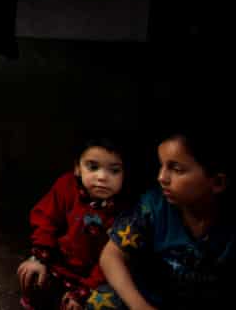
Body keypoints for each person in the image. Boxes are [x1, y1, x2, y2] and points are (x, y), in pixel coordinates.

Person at [89, 127, 233, 309]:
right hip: (148, 299)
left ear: (217, 182)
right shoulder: (154, 206)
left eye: (177, 169)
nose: (161, 177)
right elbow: (111, 256)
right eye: (161, 166)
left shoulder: (230, 227)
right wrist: (140, 306)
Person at [18, 138, 128, 310]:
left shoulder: (127, 212)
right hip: (58, 264)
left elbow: (114, 261)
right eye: (93, 167)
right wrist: (40, 257)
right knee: (31, 275)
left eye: (114, 171)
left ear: (125, 174)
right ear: (78, 168)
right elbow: (45, 218)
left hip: (95, 278)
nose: (102, 177)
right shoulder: (67, 186)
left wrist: (82, 292)